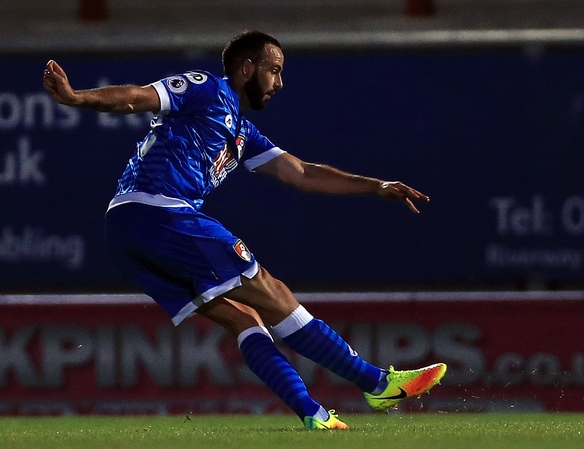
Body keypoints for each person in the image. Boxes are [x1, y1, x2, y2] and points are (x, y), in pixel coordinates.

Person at [42, 30, 446, 430]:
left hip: (126, 233)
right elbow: (140, 96)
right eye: (274, 70)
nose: (279, 83)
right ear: (247, 68)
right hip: (159, 212)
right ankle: (376, 383)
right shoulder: (208, 89)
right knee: (273, 293)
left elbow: (301, 172)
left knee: (245, 317)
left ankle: (313, 414)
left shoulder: (241, 132)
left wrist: (376, 186)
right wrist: (78, 98)